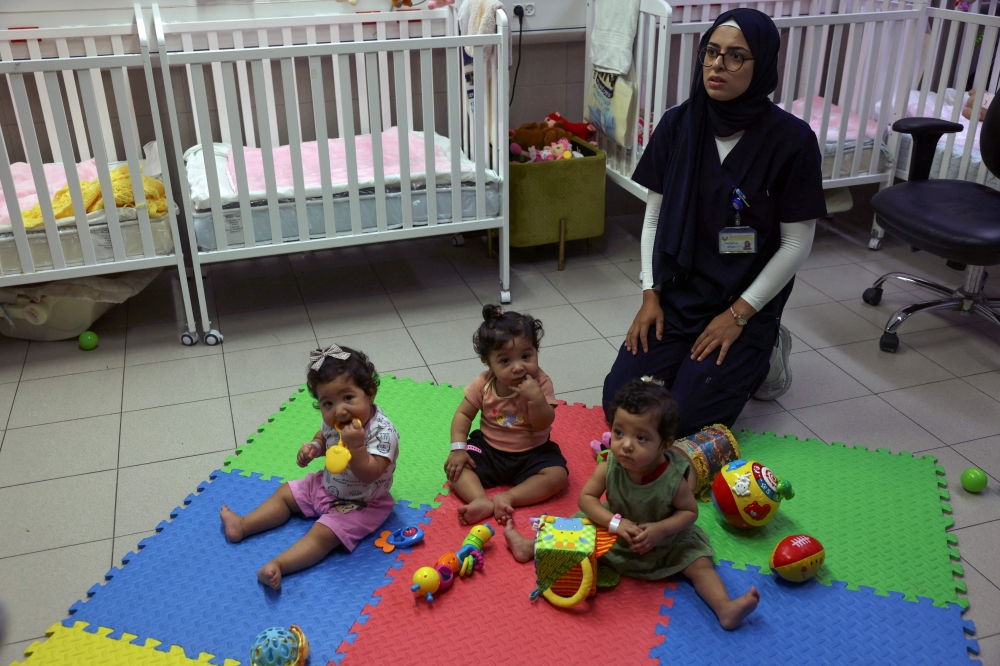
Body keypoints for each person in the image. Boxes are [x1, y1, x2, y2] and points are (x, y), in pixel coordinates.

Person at [603, 8, 827, 437]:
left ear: (762, 65)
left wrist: (739, 316)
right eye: (711, 52)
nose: (718, 65)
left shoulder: (793, 141)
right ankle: (687, 354)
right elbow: (653, 217)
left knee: (683, 422)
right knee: (620, 406)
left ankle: (768, 349)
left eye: (736, 56)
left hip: (743, 301)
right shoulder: (678, 124)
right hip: (679, 295)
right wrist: (650, 295)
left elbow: (796, 244)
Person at [505, 377, 759, 630]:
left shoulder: (672, 478)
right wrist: (615, 523)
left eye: (641, 438)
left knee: (699, 562)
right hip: (614, 531)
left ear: (665, 445)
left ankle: (724, 607)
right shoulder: (608, 466)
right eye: (619, 432)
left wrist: (661, 530)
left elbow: (689, 513)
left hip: (665, 542)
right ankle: (530, 545)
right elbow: (587, 498)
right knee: (576, 525)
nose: (626, 445)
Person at [220, 345, 399, 591]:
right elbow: (325, 436)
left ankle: (278, 565)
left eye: (348, 398)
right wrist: (315, 447)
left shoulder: (384, 432)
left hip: (362, 503)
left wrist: (357, 448)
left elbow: (371, 473)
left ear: (370, 393)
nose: (339, 410)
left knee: (324, 533)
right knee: (285, 492)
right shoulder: (337, 421)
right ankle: (242, 524)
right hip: (327, 484)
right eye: (328, 403)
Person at [444, 305, 567, 525]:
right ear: (487, 362)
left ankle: (509, 496)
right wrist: (458, 449)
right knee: (456, 469)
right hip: (490, 450)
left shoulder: (541, 382)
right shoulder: (484, 383)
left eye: (526, 356)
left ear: (536, 351)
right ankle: (480, 500)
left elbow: (543, 423)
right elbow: (463, 415)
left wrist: (535, 399)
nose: (518, 367)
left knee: (558, 475)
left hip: (533, 452)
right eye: (505, 361)